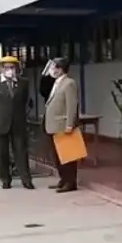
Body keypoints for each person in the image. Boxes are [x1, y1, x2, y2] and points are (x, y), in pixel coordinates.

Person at [0, 56, 34, 190]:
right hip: (0, 124)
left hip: (18, 123)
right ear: (0, 68)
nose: (9, 70)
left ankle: (26, 180)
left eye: (12, 67)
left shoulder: (23, 82)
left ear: (17, 68)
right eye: (6, 67)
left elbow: (25, 101)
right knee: (2, 154)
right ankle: (6, 180)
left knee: (21, 152)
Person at [43, 57, 79, 192]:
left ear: (61, 69)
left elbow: (71, 105)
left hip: (63, 125)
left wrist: (70, 124)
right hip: (53, 125)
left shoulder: (69, 83)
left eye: (54, 67)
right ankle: (63, 179)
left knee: (67, 156)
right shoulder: (56, 83)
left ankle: (70, 182)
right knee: (57, 156)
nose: (52, 70)